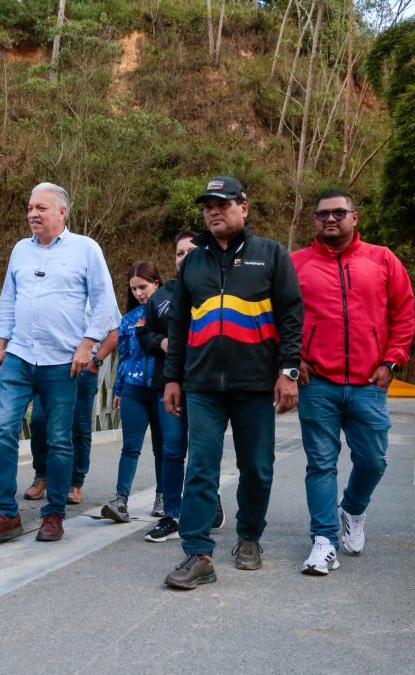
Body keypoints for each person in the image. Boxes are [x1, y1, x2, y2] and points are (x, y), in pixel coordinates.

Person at [162, 176, 304, 589]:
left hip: (255, 384)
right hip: (202, 385)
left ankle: (248, 537)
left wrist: (288, 372)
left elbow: (292, 316)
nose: (213, 212)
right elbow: (179, 323)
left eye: (222, 204)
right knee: (201, 468)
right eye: (208, 205)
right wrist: (173, 376)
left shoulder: (271, 255)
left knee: (257, 468)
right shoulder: (194, 262)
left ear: (244, 206)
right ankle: (197, 552)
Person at [0, 182, 119, 545]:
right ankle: (5, 513)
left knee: (58, 439)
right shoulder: (21, 250)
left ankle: (54, 514)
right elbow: (8, 298)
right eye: (29, 207)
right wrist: (0, 343)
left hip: (63, 360)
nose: (32, 214)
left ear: (62, 212)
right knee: (4, 430)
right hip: (20, 355)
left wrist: (88, 344)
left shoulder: (86, 249)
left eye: (40, 208)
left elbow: (104, 302)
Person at [291, 188, 415, 575]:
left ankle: (354, 509)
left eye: (339, 212)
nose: (331, 219)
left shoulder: (382, 259)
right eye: (323, 214)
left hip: (368, 382)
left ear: (354, 217)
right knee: (321, 464)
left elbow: (404, 312)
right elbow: (279, 316)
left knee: (373, 461)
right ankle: (324, 541)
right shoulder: (296, 264)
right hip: (318, 383)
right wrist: (293, 359)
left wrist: (392, 362)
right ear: (315, 220)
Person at [138, 230, 223, 543]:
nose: (184, 258)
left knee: (204, 451)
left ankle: (208, 503)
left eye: (191, 252)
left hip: (208, 384)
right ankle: (172, 515)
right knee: (172, 450)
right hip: (170, 383)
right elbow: (142, 334)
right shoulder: (161, 296)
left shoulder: (219, 289)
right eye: (179, 253)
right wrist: (159, 341)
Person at [23, 324, 118, 506]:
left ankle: (75, 482)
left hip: (84, 368)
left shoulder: (100, 295)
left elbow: (114, 332)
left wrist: (96, 361)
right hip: (49, 365)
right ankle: (42, 475)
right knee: (39, 421)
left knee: (79, 426)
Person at [100, 261, 164, 523]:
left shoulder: (171, 314)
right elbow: (123, 359)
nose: (139, 293)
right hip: (133, 391)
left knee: (164, 448)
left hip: (162, 391)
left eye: (143, 287)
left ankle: (164, 497)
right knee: (130, 447)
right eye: (134, 288)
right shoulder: (127, 320)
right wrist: (118, 389)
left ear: (157, 284)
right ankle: (120, 500)